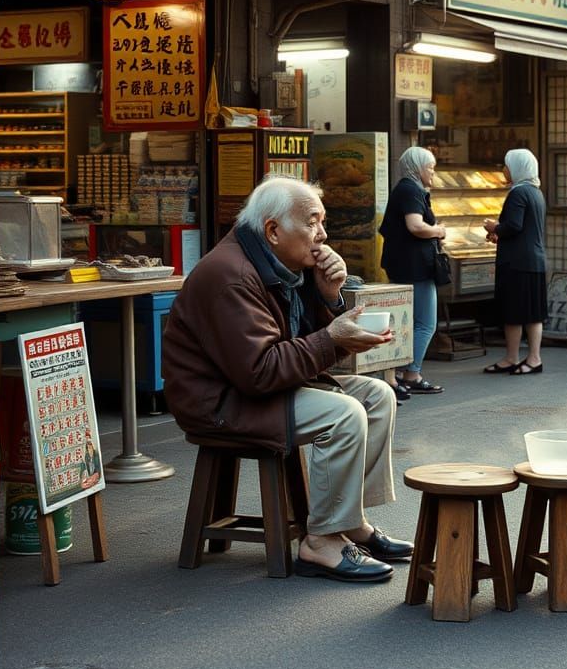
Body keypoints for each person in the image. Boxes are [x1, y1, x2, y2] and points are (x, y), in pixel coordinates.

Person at [162, 175, 412, 584]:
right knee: (345, 414)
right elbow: (260, 371)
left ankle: (349, 521)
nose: (323, 234)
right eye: (313, 222)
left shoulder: (279, 264)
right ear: (273, 230)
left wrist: (329, 295)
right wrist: (332, 337)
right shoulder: (232, 275)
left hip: (260, 387)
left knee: (378, 395)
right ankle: (322, 542)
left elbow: (299, 343)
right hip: (224, 401)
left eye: (322, 222)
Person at [378, 146, 444, 400]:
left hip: (405, 264)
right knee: (425, 322)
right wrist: (439, 231)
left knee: (406, 320)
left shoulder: (406, 188)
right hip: (415, 266)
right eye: (430, 168)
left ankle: (399, 376)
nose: (433, 174)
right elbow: (415, 226)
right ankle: (411, 374)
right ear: (417, 168)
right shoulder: (411, 189)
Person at [482, 149, 548, 375]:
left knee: (513, 312)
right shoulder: (536, 192)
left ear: (518, 167)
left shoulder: (518, 193)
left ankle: (513, 357)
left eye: (507, 165)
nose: (504, 169)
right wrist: (500, 234)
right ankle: (533, 358)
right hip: (534, 260)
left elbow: (514, 226)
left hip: (517, 262)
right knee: (532, 312)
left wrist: (495, 228)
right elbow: (524, 229)